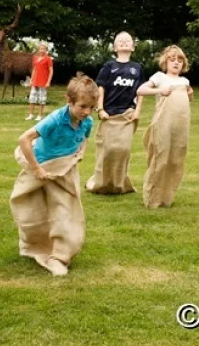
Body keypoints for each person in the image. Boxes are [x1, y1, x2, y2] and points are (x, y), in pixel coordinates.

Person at [10, 73, 98, 276]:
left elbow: (84, 138)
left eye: (91, 107)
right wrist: (37, 169)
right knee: (32, 211)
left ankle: (59, 256)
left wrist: (81, 152)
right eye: (82, 106)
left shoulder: (87, 122)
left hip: (65, 171)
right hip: (41, 167)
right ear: (69, 101)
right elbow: (24, 139)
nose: (87, 112)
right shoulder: (55, 120)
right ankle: (32, 245)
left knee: (66, 212)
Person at [85, 31, 144, 194]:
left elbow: (141, 91)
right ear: (114, 47)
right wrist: (100, 109)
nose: (124, 42)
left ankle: (119, 184)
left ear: (133, 47)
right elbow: (100, 88)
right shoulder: (109, 66)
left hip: (127, 114)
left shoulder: (137, 68)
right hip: (109, 114)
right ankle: (99, 182)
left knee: (123, 150)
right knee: (108, 150)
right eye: (120, 41)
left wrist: (137, 111)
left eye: (128, 41)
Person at [137, 45, 194, 208]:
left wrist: (190, 93)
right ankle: (152, 197)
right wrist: (160, 91)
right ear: (165, 62)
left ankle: (167, 196)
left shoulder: (185, 81)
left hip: (180, 126)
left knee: (176, 159)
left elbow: (188, 98)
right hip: (163, 124)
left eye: (180, 60)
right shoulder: (160, 77)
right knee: (161, 158)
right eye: (172, 59)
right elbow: (141, 90)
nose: (176, 63)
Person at [25, 42, 53, 121]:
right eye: (40, 49)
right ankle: (31, 115)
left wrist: (48, 82)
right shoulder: (35, 58)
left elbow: (51, 71)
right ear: (38, 49)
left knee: (41, 99)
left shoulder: (48, 59)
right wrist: (31, 80)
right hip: (35, 82)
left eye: (44, 49)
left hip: (43, 82)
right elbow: (34, 69)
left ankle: (40, 115)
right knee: (32, 98)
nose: (42, 50)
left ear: (46, 50)